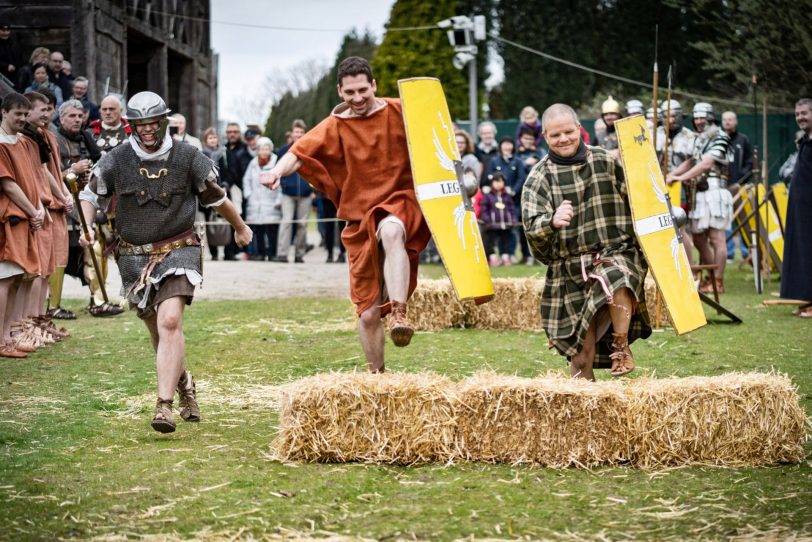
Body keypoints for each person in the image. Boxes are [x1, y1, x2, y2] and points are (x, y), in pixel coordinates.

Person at [78, 91, 252, 432]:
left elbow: (216, 198)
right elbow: (90, 194)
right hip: (132, 255)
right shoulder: (116, 158)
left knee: (170, 322)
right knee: (157, 329)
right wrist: (85, 228)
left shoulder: (188, 156)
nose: (146, 130)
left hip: (178, 246)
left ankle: (164, 405)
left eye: (152, 123)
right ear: (131, 125)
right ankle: (184, 381)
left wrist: (241, 227)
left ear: (163, 122)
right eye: (139, 124)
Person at [261, 56, 430, 373]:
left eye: (363, 90)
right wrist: (275, 172)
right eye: (350, 92)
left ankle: (399, 314)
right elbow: (299, 153)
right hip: (360, 219)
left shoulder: (401, 110)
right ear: (340, 91)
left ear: (374, 85)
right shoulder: (335, 126)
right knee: (366, 313)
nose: (358, 98)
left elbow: (437, 140)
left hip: (400, 202)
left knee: (392, 230)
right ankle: (377, 379)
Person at [522, 103, 650, 380]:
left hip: (615, 251)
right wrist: (551, 221)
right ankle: (585, 409)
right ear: (545, 136)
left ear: (579, 129)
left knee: (615, 276)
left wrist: (651, 182)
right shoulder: (538, 177)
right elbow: (532, 227)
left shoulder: (605, 160)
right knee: (581, 359)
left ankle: (620, 346)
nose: (563, 139)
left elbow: (640, 198)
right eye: (555, 135)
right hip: (569, 269)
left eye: (569, 132)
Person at [667, 102, 732, 294]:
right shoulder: (699, 139)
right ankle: (709, 278)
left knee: (716, 237)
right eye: (696, 118)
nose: (698, 122)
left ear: (711, 117)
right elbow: (691, 161)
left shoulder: (721, 136)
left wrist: (679, 177)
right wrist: (670, 175)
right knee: (698, 238)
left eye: (702, 117)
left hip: (715, 192)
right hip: (699, 193)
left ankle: (718, 281)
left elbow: (706, 163)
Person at [0, 93, 47, 358]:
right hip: (10, 217)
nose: (21, 118)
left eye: (23, 114)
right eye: (16, 113)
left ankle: (8, 335)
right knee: (4, 278)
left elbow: (31, 178)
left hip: (27, 216)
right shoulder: (0, 144)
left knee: (18, 277)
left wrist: (38, 207)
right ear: (4, 112)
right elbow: (8, 184)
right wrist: (32, 210)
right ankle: (0, 339)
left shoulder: (24, 143)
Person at [780, 98, 812, 318]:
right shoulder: (804, 141)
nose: (800, 117)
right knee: (801, 252)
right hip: (800, 209)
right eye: (797, 114)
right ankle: (805, 298)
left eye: (804, 113)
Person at [658, 99, 697, 261]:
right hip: (658, 186)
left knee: (681, 227)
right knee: (660, 227)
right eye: (667, 116)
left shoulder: (689, 136)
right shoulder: (654, 133)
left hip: (680, 186)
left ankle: (689, 269)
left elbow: (692, 161)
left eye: (674, 116)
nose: (671, 120)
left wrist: (673, 175)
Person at [272, 119, 313, 264]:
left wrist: (311, 187)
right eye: (297, 132)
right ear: (292, 133)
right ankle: (282, 253)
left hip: (306, 193)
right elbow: (278, 169)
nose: (299, 135)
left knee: (302, 224)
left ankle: (299, 254)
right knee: (287, 222)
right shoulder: (283, 150)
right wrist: (283, 184)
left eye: (302, 132)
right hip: (288, 193)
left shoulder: (310, 149)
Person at [243, 137, 281, 261]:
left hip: (271, 200)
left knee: (271, 230)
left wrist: (279, 199)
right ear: (258, 150)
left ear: (270, 149)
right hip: (255, 202)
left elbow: (280, 181)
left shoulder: (276, 161)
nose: (264, 151)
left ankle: (272, 253)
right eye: (261, 149)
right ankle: (260, 253)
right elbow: (246, 180)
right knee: (258, 230)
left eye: (266, 148)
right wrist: (248, 194)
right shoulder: (253, 163)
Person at [721, 111, 753, 261]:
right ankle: (729, 253)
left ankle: (747, 251)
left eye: (730, 119)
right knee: (725, 221)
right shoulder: (718, 138)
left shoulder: (743, 139)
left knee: (743, 218)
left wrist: (740, 182)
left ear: (736, 122)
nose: (727, 122)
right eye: (725, 120)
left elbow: (750, 162)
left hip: (738, 187)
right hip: (721, 187)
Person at [223, 122, 251, 260]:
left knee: (242, 221)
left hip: (242, 192)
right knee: (229, 221)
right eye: (229, 132)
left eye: (235, 131)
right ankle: (230, 253)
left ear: (239, 133)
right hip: (227, 191)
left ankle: (244, 251)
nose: (232, 134)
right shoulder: (223, 149)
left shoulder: (245, 149)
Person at [479, 172, 516, 266]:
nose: (499, 183)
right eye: (496, 181)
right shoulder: (488, 196)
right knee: (490, 242)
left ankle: (505, 258)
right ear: (492, 183)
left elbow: (511, 209)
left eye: (501, 181)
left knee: (505, 241)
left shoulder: (506, 196)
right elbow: (484, 209)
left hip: (505, 224)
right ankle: (492, 258)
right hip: (492, 225)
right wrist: (487, 219)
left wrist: (513, 219)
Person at [594, 95, 622, 160]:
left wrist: (619, 152)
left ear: (618, 116)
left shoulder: (626, 132)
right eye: (606, 115)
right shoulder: (599, 135)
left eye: (612, 114)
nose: (608, 117)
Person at [0, 23, 22, 90]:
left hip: (14, 78)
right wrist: (6, 66)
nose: (6, 33)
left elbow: (19, 59)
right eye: (3, 30)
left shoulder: (13, 43)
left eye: (7, 30)